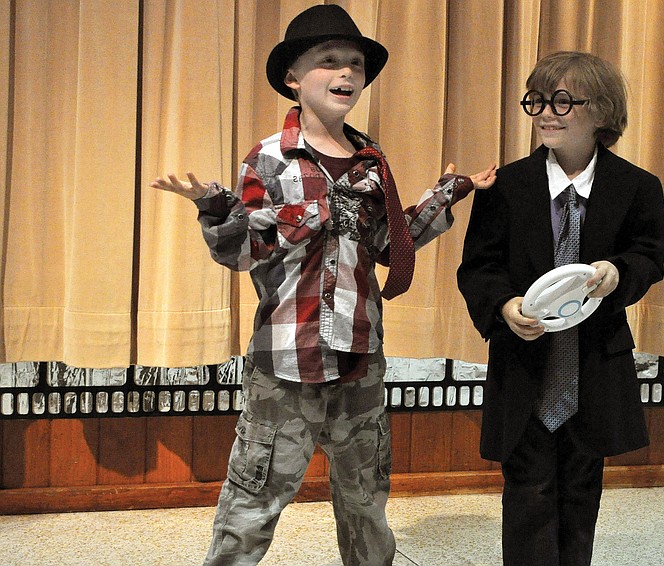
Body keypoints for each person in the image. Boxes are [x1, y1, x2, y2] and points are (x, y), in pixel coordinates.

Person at [150, 5, 495, 565]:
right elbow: (242, 252)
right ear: (293, 77)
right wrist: (216, 208)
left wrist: (449, 192)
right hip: (285, 363)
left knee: (365, 502)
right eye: (329, 61)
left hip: (360, 358)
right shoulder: (269, 158)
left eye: (355, 64)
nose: (346, 74)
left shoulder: (370, 162)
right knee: (254, 499)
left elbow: (389, 243)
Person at [457, 51, 664, 565]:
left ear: (602, 112)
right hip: (525, 368)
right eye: (538, 101)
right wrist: (505, 306)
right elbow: (478, 268)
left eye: (563, 101)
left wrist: (620, 271)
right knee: (527, 492)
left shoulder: (637, 186)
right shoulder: (506, 186)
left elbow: (648, 255)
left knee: (581, 490)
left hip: (594, 369)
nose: (547, 112)